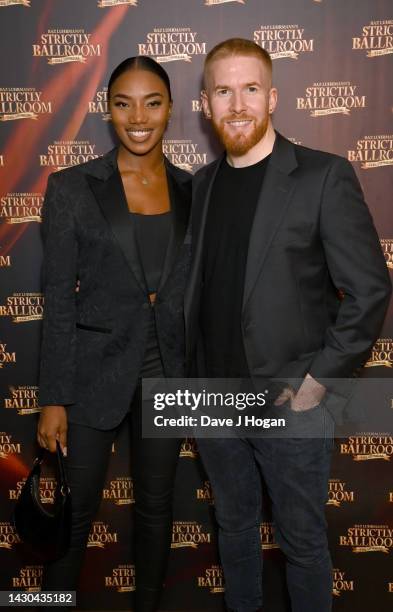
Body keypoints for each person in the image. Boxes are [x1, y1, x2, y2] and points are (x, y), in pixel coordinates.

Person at [184, 38, 391, 612]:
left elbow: (370, 291)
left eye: (250, 88)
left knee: (302, 546)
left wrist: (317, 386)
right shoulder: (199, 188)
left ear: (273, 97)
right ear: (206, 104)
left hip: (290, 403)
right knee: (235, 533)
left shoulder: (322, 177)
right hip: (213, 401)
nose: (238, 104)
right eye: (223, 91)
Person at [37, 56, 191, 612]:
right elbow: (57, 300)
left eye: (152, 102)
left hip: (168, 378)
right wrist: (54, 397)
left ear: (171, 109)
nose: (139, 116)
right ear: (108, 110)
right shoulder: (73, 188)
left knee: (156, 513)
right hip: (91, 377)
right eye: (124, 103)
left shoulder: (193, 191)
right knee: (72, 521)